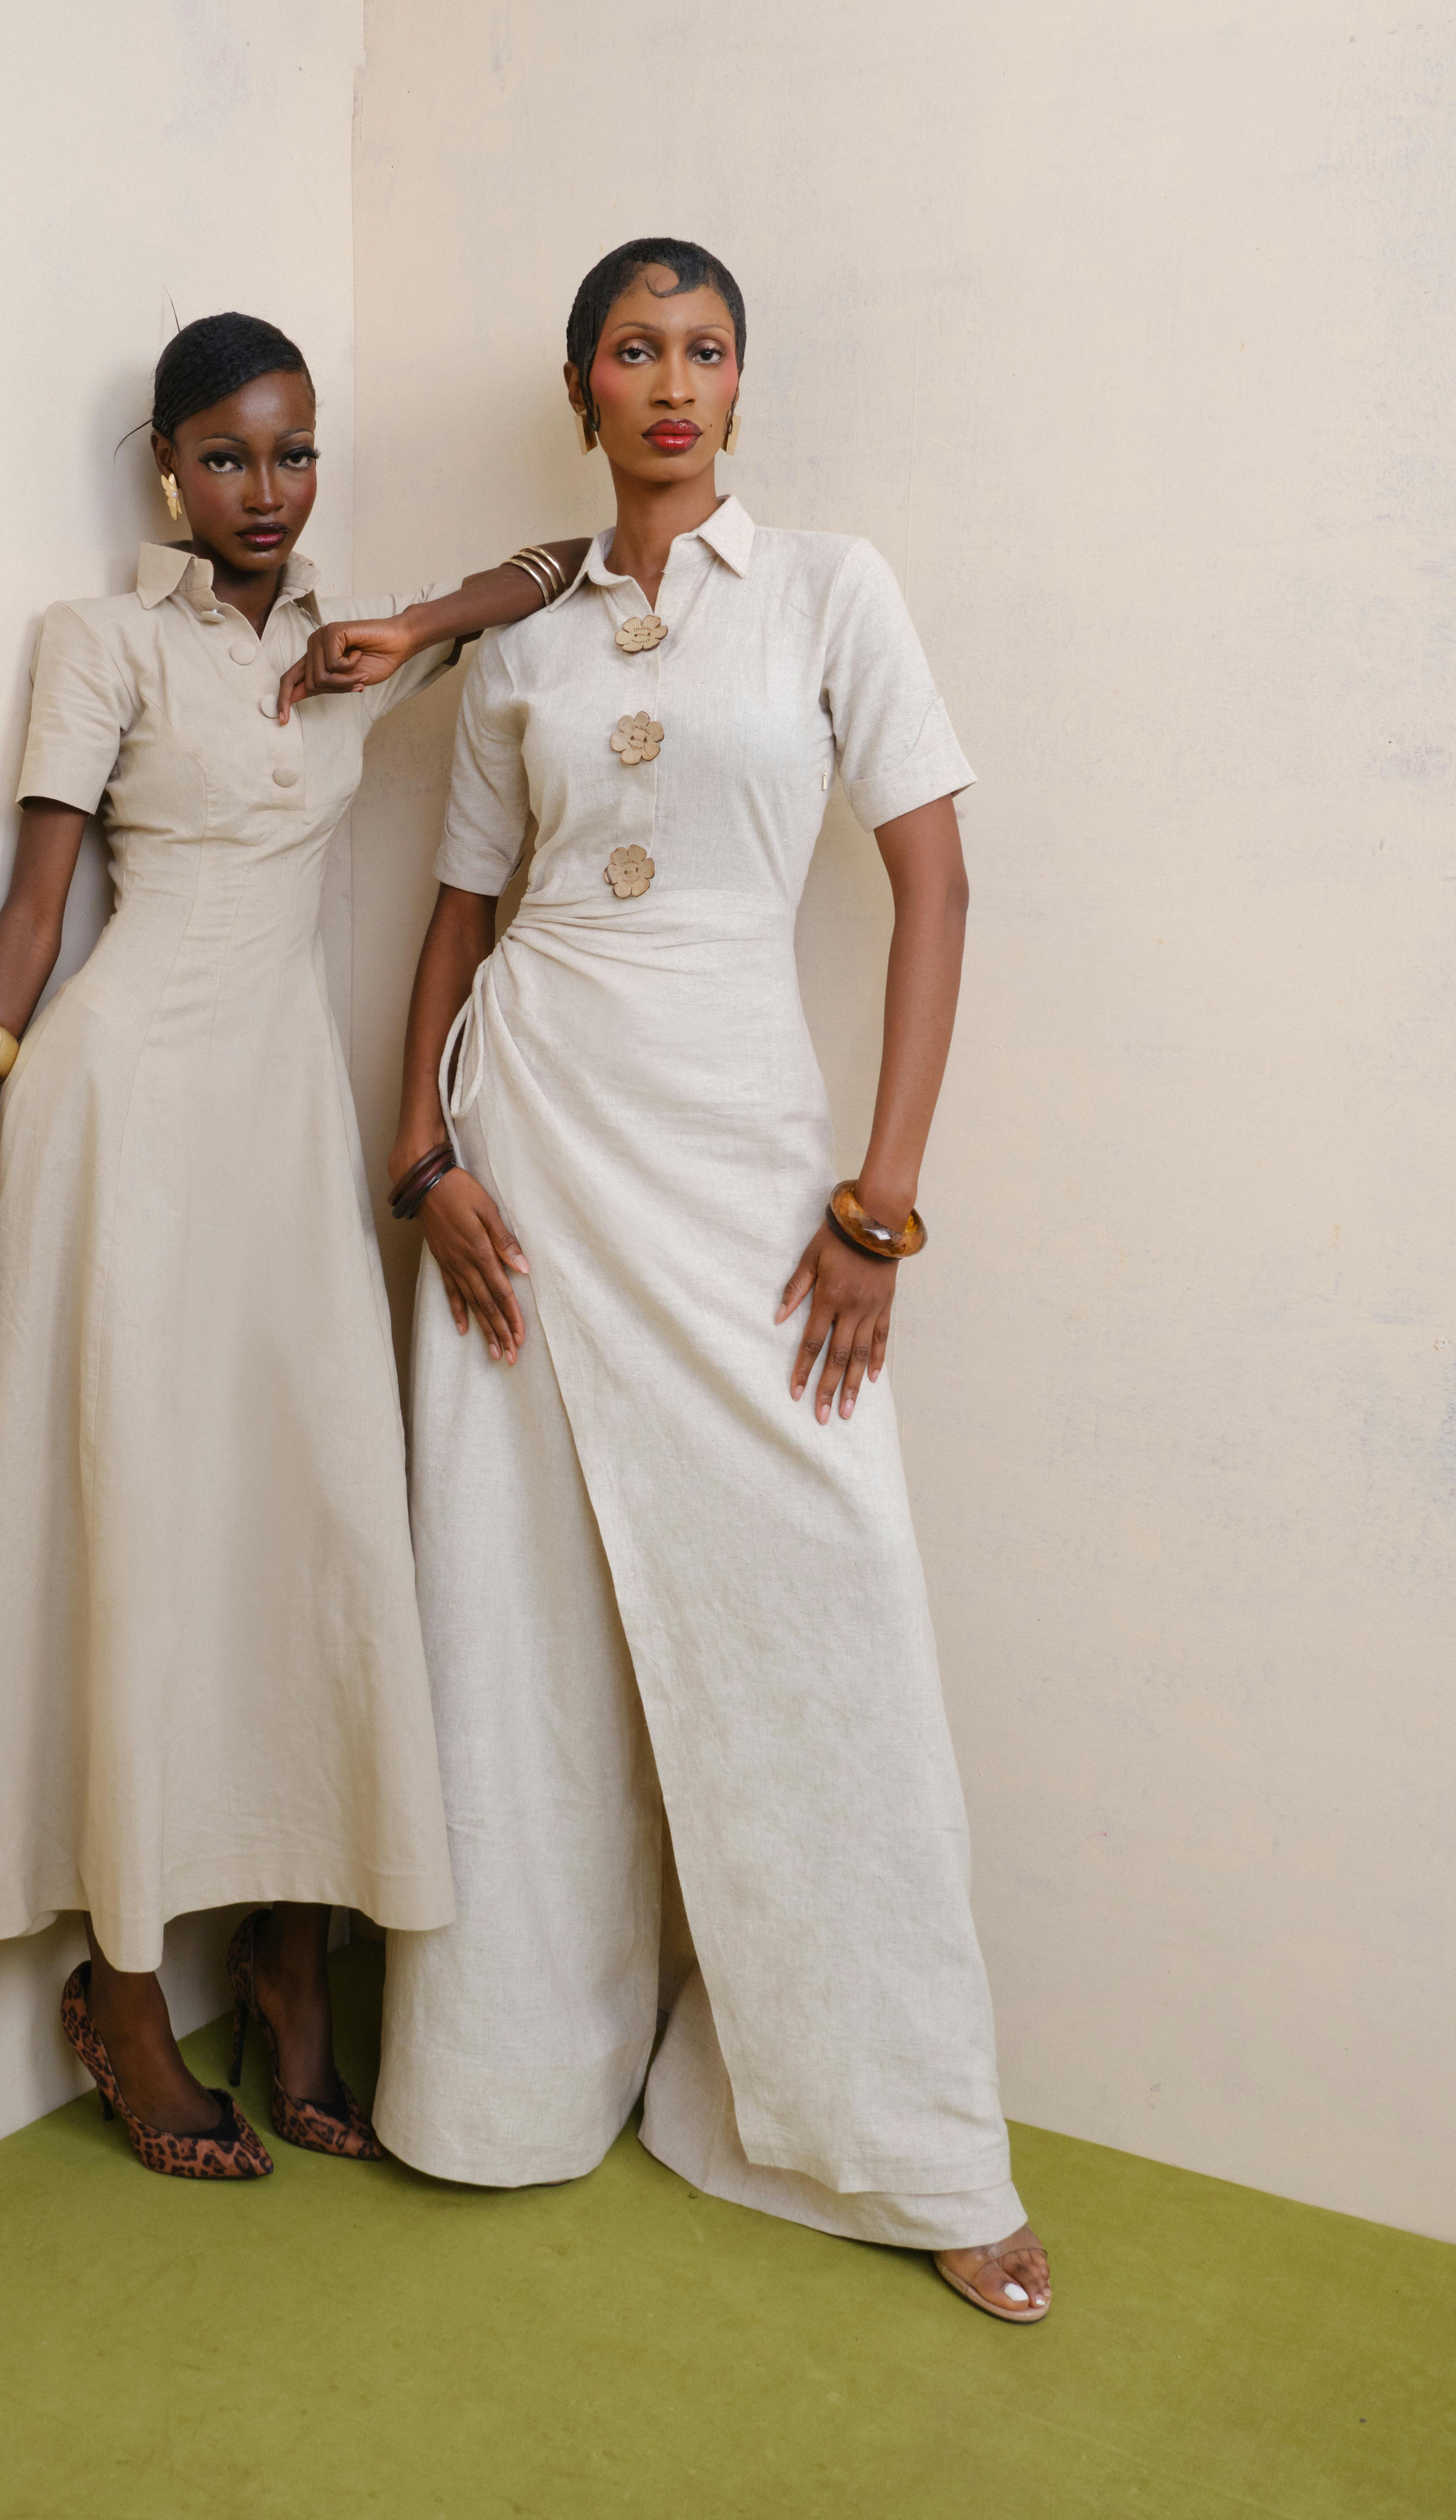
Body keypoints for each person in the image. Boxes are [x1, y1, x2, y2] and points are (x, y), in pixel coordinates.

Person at [357, 239, 1052, 2318]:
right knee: (515, 1600)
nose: (675, 382)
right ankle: (499, 2086)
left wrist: (879, 1204)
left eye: (708, 351)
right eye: (636, 352)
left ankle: (900, 2134)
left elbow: (935, 884)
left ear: (743, 389)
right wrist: (424, 1157)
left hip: (747, 1148)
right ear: (586, 390)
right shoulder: (525, 647)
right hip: (531, 1140)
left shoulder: (832, 589)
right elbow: (460, 921)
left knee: (817, 1598)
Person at [0, 310, 585, 2180]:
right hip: (124, 1115)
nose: (265, 494)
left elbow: (563, 565)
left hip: (285, 1121)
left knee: (312, 1510)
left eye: (294, 455)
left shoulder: (346, 655)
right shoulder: (102, 643)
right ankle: (121, 1984)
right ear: (164, 470)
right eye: (226, 459)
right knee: (139, 1506)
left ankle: (291, 1955)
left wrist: (415, 628)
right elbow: (38, 913)